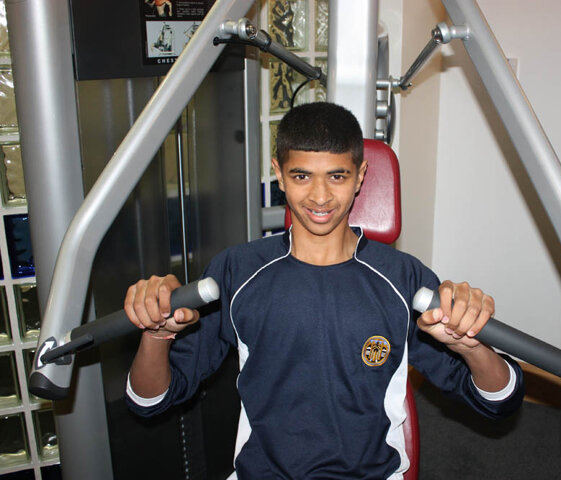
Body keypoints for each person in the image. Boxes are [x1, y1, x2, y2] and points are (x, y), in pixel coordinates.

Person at [124, 102, 524, 479]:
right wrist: (155, 336)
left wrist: (472, 347)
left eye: (337, 176)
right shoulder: (236, 271)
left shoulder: (402, 279)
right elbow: (150, 401)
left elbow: (498, 401)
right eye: (302, 176)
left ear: (360, 176)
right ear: (279, 174)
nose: (320, 196)